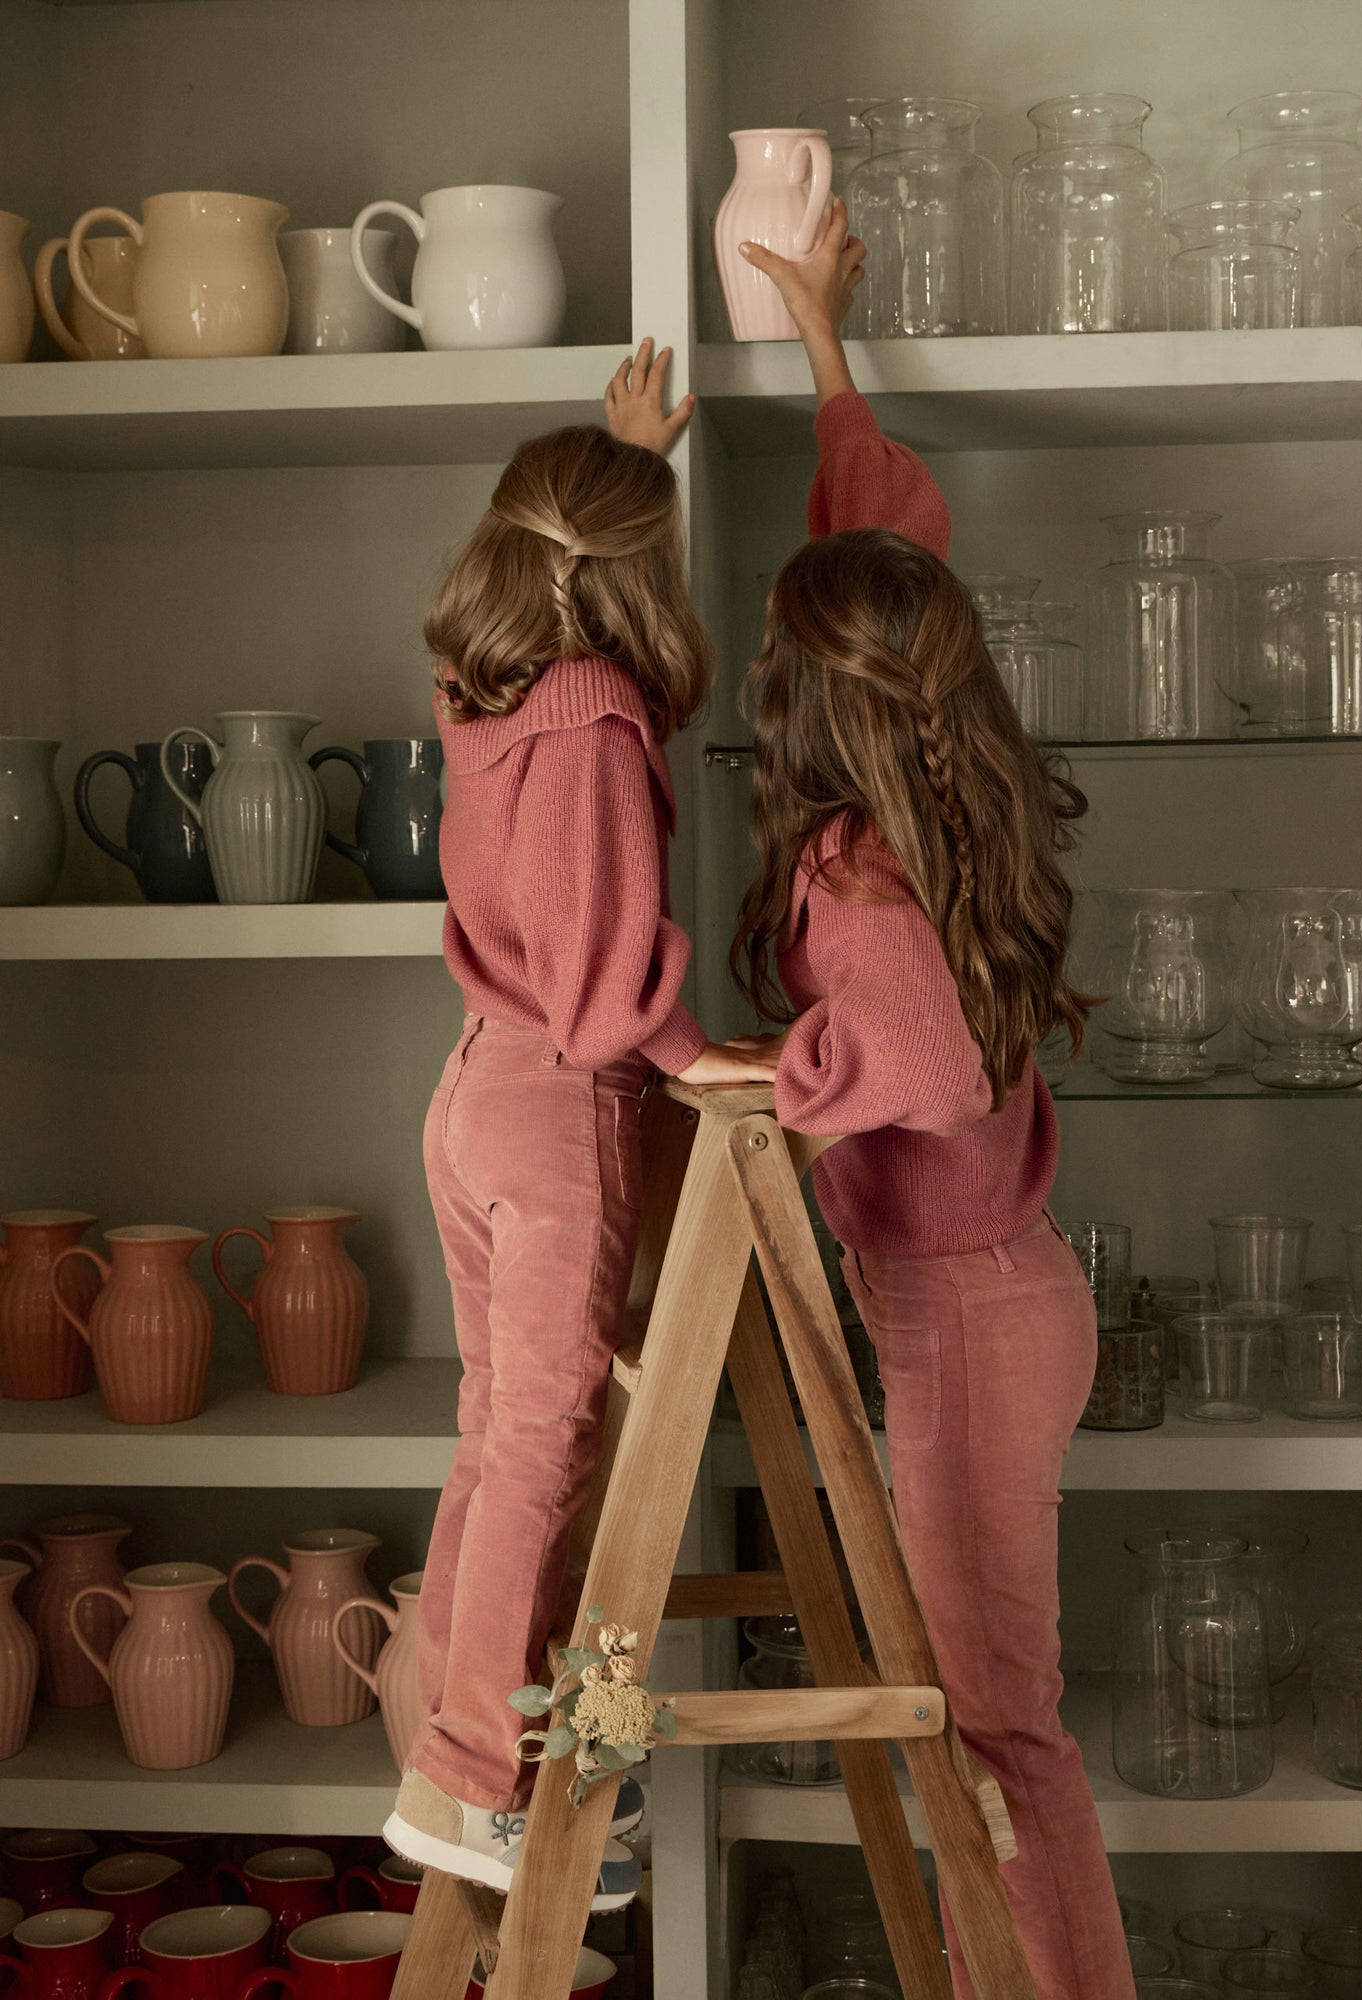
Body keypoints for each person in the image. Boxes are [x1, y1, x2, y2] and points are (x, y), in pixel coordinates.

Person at [730, 207, 1134, 2000]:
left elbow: (928, 1060)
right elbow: (885, 550)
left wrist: (768, 1080)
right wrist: (826, 345)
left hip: (967, 1320)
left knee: (996, 1731)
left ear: (807, 702)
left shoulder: (852, 865)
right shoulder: (940, 789)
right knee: (990, 1726)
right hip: (1000, 1297)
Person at [384, 340, 779, 1903]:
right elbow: (604, 969)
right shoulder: (599, 711)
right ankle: (488, 1779)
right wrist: (697, 1058)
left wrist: (625, 473)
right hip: (562, 1101)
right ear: (626, 573)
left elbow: (554, 902)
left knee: (501, 1435)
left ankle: (459, 1759)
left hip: (476, 1089)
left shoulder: (485, 697)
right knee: (551, 1443)